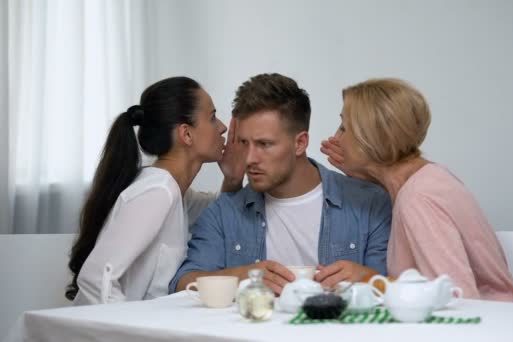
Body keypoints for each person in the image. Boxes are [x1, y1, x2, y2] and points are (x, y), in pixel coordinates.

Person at [170, 73, 392, 295]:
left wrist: (368, 278)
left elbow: (394, 286)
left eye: (264, 144)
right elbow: (183, 283)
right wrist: (246, 276)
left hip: (340, 329)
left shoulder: (369, 203)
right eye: (244, 143)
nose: (249, 158)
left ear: (300, 143)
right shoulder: (223, 212)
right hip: (253, 328)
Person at [320, 78, 513, 302]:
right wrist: (367, 172)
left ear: (371, 138)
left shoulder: (418, 198)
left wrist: (372, 280)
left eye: (344, 128)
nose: (335, 138)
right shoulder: (427, 178)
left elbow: (457, 298)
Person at [67, 76, 245, 305]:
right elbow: (96, 279)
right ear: (186, 134)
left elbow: (220, 212)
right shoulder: (157, 193)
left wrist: (232, 177)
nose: (222, 127)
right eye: (212, 118)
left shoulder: (174, 192)